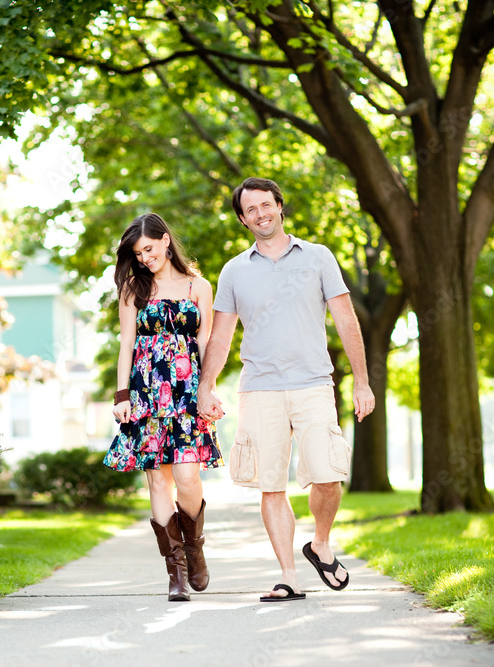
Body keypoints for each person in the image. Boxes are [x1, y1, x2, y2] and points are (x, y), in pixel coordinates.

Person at [197, 177, 375, 602]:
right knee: (271, 484)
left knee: (327, 474)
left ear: (280, 206)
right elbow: (221, 337)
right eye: (251, 209)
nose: (261, 214)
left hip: (314, 382)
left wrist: (362, 382)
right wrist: (206, 386)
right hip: (259, 389)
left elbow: (347, 321)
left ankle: (321, 543)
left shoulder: (318, 257)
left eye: (267, 205)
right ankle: (288, 575)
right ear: (243, 219)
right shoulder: (234, 270)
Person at [103, 212, 223, 602]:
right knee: (158, 479)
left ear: (166, 240)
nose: (144, 258)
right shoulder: (133, 289)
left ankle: (194, 546)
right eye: (138, 253)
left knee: (187, 475)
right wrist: (122, 395)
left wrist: (209, 388)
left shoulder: (198, 286)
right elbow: (126, 344)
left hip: (187, 393)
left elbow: (205, 342)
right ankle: (175, 573)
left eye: (149, 249)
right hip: (147, 392)